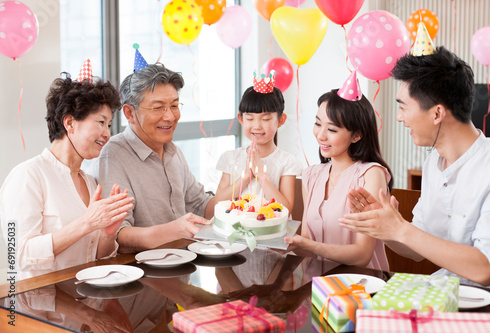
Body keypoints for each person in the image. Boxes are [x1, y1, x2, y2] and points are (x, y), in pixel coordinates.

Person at [340, 46, 490, 288]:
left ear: (437, 113)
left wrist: (400, 228)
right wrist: (384, 226)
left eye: (403, 107)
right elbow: (417, 247)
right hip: (445, 295)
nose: (399, 117)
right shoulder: (433, 164)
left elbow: (486, 268)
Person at [0, 64, 134, 279]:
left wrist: (108, 235)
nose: (107, 134)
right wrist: (86, 223)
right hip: (40, 304)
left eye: (109, 125)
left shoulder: (89, 181)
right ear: (70, 123)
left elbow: (94, 257)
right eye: (101, 122)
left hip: (84, 302)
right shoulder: (28, 176)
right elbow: (20, 254)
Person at [89, 62, 213, 253]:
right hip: (141, 274)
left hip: (183, 267)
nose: (170, 117)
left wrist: (241, 204)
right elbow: (118, 234)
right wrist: (174, 230)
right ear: (130, 113)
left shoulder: (173, 151)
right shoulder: (112, 156)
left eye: (174, 105)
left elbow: (200, 205)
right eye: (158, 108)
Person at [284, 84, 393, 271]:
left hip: (360, 287)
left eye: (332, 130)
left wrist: (309, 246)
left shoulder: (371, 174)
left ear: (356, 135)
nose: (320, 135)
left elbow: (362, 255)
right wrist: (284, 244)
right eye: (318, 123)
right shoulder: (310, 175)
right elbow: (306, 246)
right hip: (315, 288)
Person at [215, 72, 302, 211]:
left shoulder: (287, 162)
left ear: (281, 120)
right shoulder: (230, 158)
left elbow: (286, 209)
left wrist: (261, 174)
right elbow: (216, 203)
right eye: (250, 119)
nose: (257, 126)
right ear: (241, 119)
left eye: (265, 119)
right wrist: (245, 177)